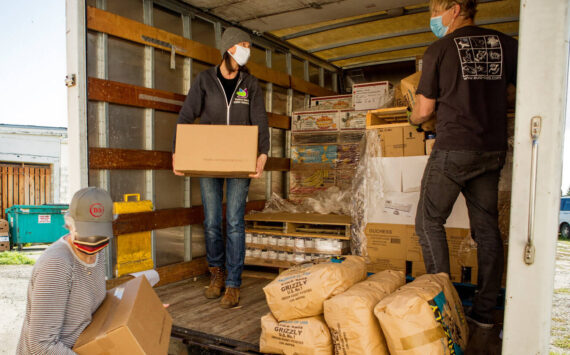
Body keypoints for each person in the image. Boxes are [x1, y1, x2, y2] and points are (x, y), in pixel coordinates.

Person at [409, 0, 517, 329]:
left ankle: (445, 309)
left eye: (434, 11)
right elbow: (520, 91)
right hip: (491, 149)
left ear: (454, 9)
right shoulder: (507, 45)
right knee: (486, 231)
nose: (432, 18)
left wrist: (413, 117)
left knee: (428, 223)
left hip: (454, 148)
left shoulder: (439, 49)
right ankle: (484, 315)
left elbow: (424, 111)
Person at [172, 27, 269, 308]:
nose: (247, 50)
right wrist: (178, 152)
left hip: (240, 161)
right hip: (208, 161)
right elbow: (186, 115)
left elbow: (260, 120)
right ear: (228, 48)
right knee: (213, 221)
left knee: (235, 222)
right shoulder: (205, 80)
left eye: (248, 46)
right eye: (243, 44)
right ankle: (216, 273)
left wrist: (262, 154)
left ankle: (233, 283)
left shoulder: (251, 84)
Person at [17, 187, 114, 354]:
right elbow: (41, 346)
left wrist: (139, 308)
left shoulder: (99, 253)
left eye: (98, 234)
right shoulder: (56, 264)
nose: (93, 242)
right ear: (70, 224)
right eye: (86, 233)